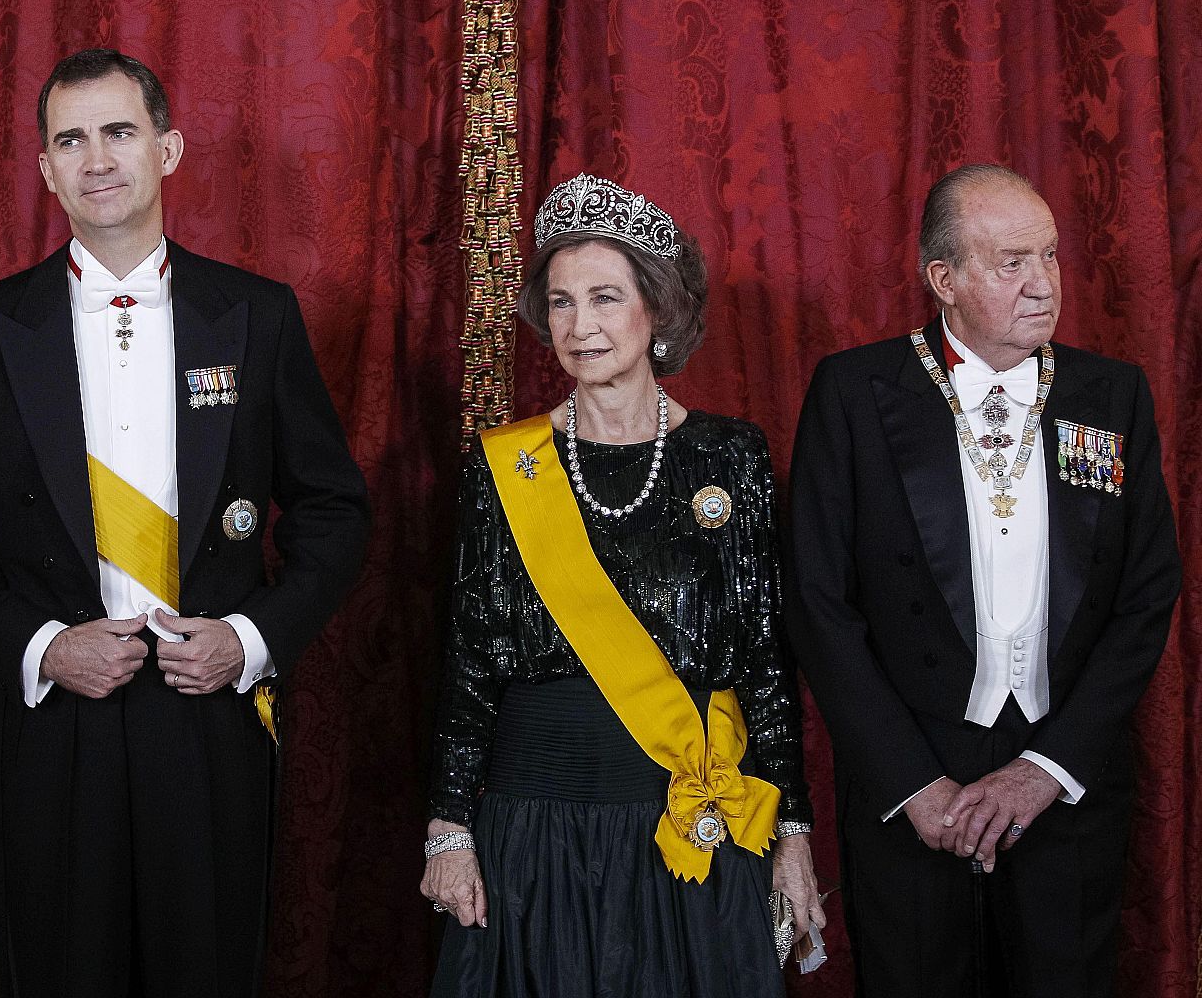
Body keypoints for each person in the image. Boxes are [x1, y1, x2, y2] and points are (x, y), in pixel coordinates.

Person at [0, 48, 369, 997]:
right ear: (43, 168)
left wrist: (250, 638)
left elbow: (334, 510)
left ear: (168, 147)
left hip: (207, 717)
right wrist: (39, 648)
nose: (96, 159)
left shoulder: (257, 316)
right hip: (54, 723)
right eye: (70, 140)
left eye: (118, 132)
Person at [422, 174, 823, 998]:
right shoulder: (504, 466)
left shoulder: (731, 457)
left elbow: (763, 662)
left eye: (606, 297)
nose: (582, 326)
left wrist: (792, 829)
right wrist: (449, 830)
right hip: (535, 830)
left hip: (688, 826)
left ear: (659, 310)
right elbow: (468, 663)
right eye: (562, 303)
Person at [787, 163, 1181, 997]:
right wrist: (913, 783)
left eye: (1050, 256)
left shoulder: (1113, 396)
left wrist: (1049, 768)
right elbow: (818, 603)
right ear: (945, 279)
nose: (1043, 284)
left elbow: (1148, 596)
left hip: (1066, 775)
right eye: (1011, 262)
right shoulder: (855, 393)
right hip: (914, 781)